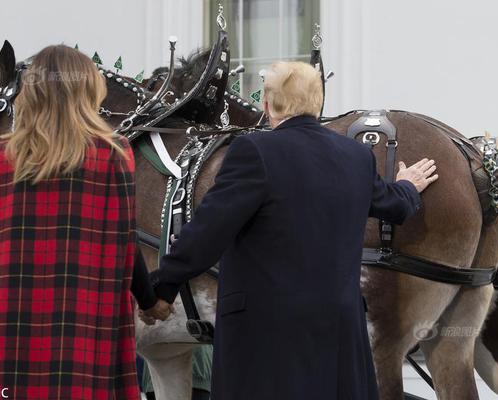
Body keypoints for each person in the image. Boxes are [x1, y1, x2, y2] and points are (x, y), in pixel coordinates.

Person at [142, 61, 438, 400]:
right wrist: (408, 186)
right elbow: (393, 205)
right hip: (339, 332)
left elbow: (208, 231)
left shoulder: (254, 151)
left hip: (266, 335)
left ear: (268, 104)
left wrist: (162, 288)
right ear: (318, 103)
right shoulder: (356, 156)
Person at [0, 45, 141, 399]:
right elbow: (125, 244)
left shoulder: (3, 155)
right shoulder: (113, 154)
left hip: (8, 328)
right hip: (84, 325)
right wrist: (152, 300)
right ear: (88, 90)